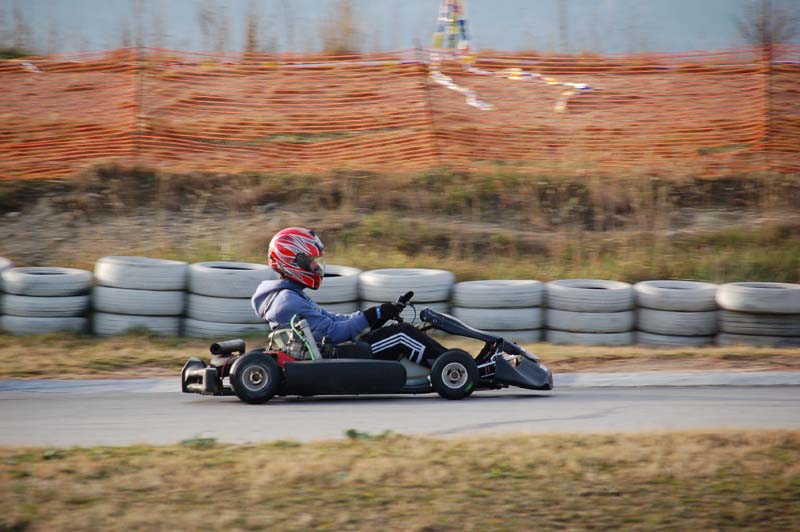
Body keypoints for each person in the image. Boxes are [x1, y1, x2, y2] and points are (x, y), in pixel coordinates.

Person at [251, 227, 445, 365]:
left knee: (396, 331)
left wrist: (376, 314)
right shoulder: (287, 301)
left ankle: (448, 362)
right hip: (334, 358)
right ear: (293, 262)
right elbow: (334, 333)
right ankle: (450, 364)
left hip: (333, 350)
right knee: (401, 333)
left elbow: (332, 319)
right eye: (311, 261)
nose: (316, 267)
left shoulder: (291, 295)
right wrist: (373, 314)